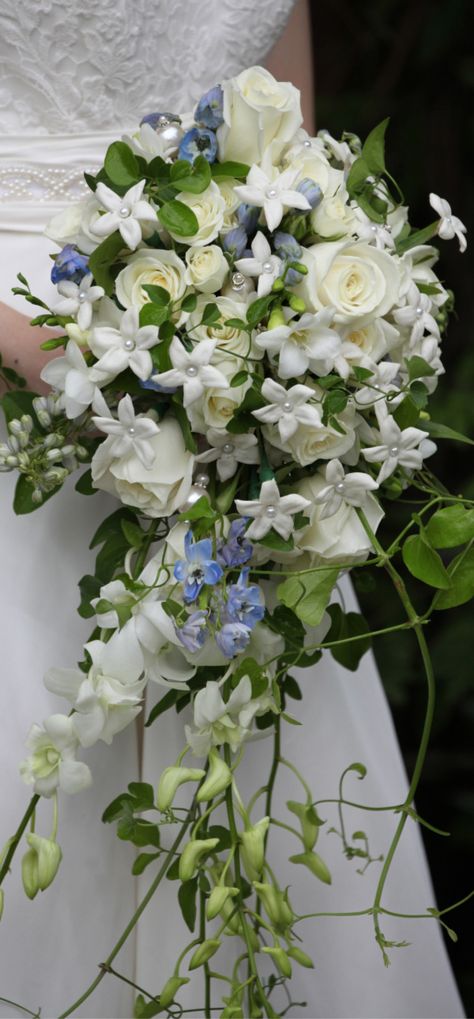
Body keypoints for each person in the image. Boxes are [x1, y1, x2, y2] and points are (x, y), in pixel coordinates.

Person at [0, 2, 464, 1016]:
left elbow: (284, 130)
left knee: (245, 773)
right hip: (36, 356)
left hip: (232, 384)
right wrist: (52, 352)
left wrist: (321, 334)